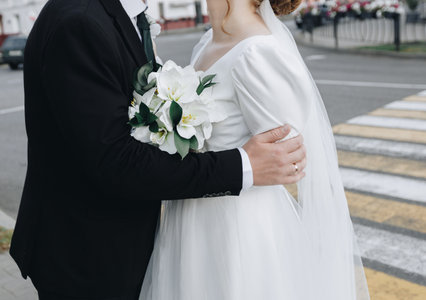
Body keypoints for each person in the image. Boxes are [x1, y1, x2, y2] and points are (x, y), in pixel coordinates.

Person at [9, 0, 307, 299]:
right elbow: (115, 160)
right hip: (88, 251)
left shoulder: (125, 17)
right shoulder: (80, 22)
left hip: (229, 232)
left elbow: (286, 148)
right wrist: (242, 166)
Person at [138, 0, 370, 299]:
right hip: (190, 218)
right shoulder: (209, 40)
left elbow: (288, 152)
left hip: (236, 227)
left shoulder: (257, 51)